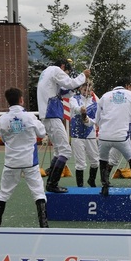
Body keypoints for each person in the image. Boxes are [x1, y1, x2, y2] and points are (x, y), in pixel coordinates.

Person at [0, 87, 48, 228]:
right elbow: (42, 133)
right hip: (30, 161)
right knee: (38, 192)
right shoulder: (30, 117)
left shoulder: (2, 119)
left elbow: (4, 138)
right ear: (21, 100)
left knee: (4, 192)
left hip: (11, 162)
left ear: (7, 101)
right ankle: (44, 225)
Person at [37, 58, 90, 193]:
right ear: (62, 66)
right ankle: (52, 184)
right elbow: (70, 83)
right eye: (67, 72)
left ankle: (51, 182)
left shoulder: (46, 73)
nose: (67, 74)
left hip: (48, 115)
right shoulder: (55, 70)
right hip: (52, 114)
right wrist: (83, 76)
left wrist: (75, 87)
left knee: (59, 150)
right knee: (65, 151)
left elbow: (64, 91)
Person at [96, 78, 131, 196]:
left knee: (105, 159)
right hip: (123, 135)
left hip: (106, 135)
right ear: (128, 85)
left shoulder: (105, 96)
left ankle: (104, 185)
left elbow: (97, 119)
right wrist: (129, 127)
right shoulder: (130, 95)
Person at [69, 83, 99, 188]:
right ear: (80, 89)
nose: (86, 92)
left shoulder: (95, 104)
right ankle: (80, 187)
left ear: (92, 90)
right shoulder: (74, 99)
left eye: (89, 90)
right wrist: (81, 110)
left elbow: (94, 121)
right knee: (80, 163)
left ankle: (91, 180)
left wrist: (87, 120)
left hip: (90, 135)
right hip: (77, 135)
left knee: (95, 161)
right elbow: (75, 108)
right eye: (84, 89)